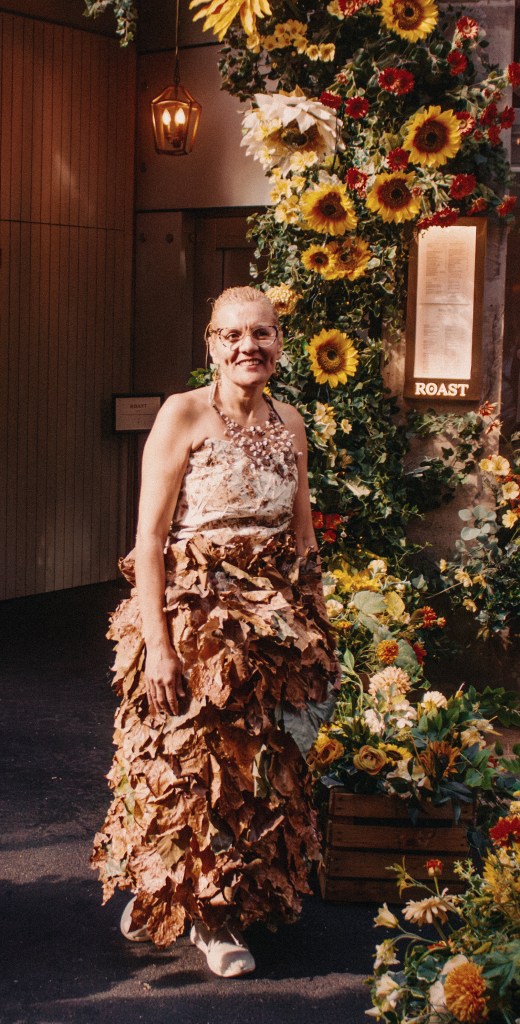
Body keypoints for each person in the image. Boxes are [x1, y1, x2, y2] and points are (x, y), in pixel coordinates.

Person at [92, 285, 339, 977]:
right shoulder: (183, 414)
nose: (247, 347)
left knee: (260, 771)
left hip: (274, 629)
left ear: (280, 343)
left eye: (261, 333)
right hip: (196, 623)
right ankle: (202, 914)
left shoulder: (291, 421)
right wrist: (160, 646)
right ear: (211, 344)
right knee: (191, 769)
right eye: (232, 335)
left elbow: (302, 533)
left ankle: (202, 895)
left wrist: (316, 626)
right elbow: (149, 540)